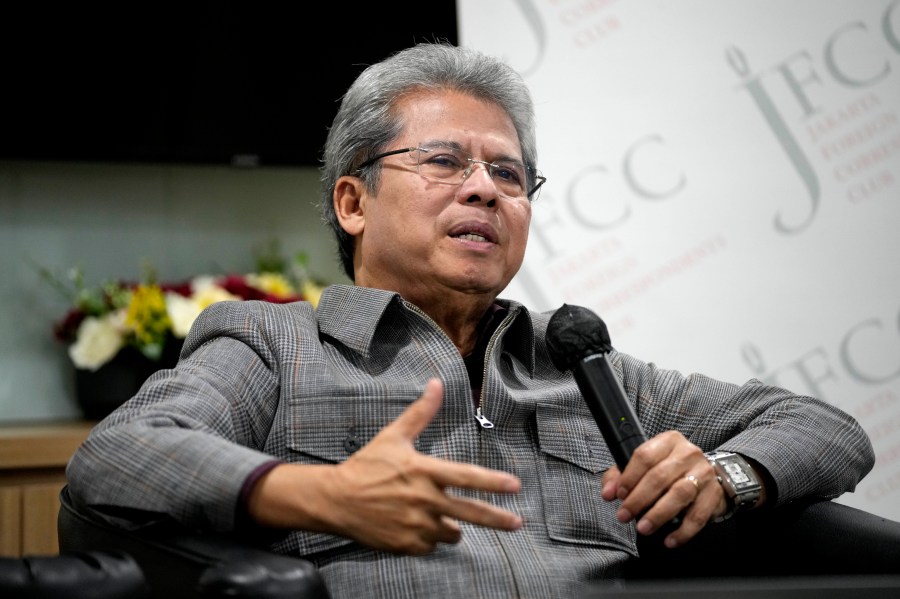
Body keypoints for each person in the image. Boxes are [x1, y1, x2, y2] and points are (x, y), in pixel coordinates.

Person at [66, 42, 875, 598]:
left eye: (510, 173)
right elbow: (118, 458)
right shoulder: (273, 345)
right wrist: (319, 493)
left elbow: (826, 429)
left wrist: (726, 476)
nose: (485, 188)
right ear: (353, 201)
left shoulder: (580, 365)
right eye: (445, 161)